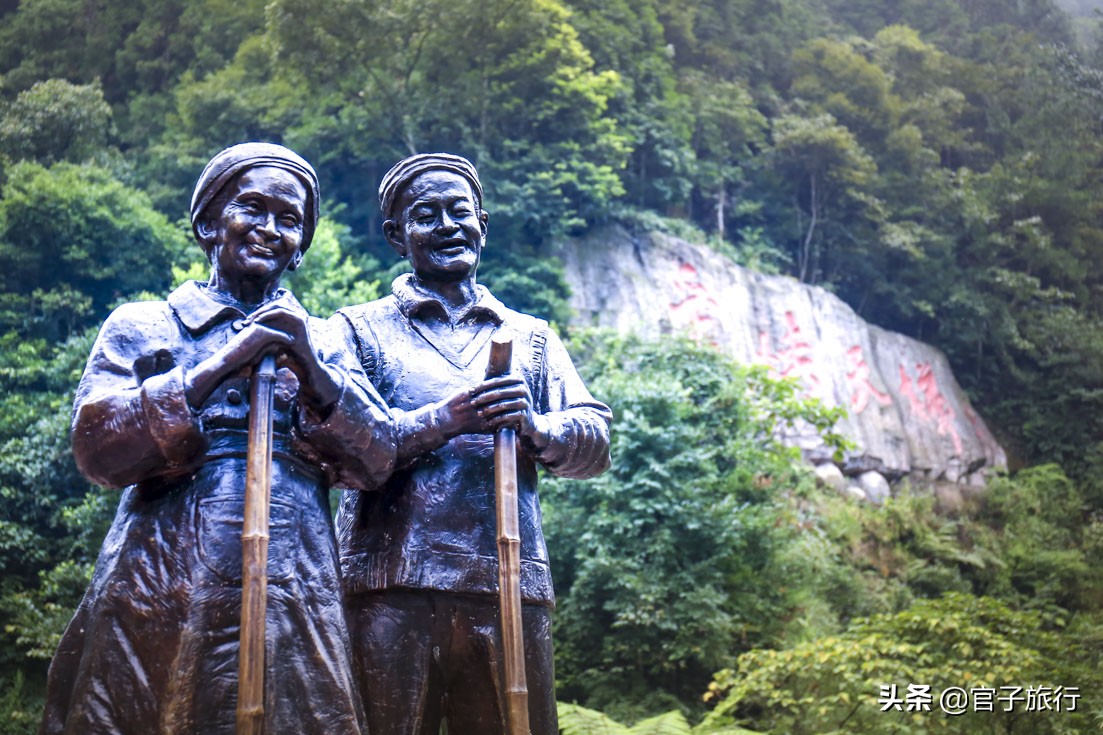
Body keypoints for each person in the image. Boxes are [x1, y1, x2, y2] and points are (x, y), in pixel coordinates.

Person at [40, 142, 395, 735]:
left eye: (289, 221)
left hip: (294, 584)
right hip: (162, 575)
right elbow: (96, 450)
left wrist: (310, 365)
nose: (269, 229)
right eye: (251, 208)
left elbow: (378, 459)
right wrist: (223, 361)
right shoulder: (143, 324)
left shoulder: (328, 341)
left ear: (302, 247)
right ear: (209, 222)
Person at [333, 153, 612, 735]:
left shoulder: (530, 338)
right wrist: (449, 417)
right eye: (426, 215)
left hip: (509, 579)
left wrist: (538, 428)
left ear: (483, 223)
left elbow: (595, 438)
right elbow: (342, 447)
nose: (447, 226)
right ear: (395, 235)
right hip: (389, 585)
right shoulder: (356, 329)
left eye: (460, 212)